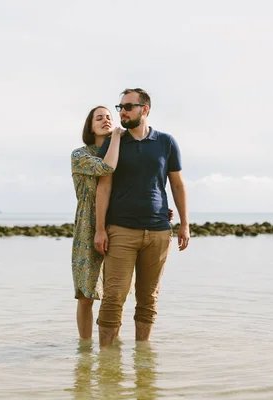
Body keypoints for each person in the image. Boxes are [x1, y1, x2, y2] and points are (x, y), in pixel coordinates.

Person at [94, 88, 190, 347]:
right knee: (113, 296)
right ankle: (106, 363)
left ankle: (143, 362)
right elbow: (104, 187)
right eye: (120, 107)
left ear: (144, 110)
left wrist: (184, 225)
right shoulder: (114, 144)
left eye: (128, 107)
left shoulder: (166, 142)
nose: (122, 112)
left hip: (158, 231)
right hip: (120, 231)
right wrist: (100, 230)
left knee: (148, 298)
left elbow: (177, 185)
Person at [70, 106, 124, 340]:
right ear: (90, 126)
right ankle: (84, 349)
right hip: (87, 223)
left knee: (115, 291)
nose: (105, 120)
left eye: (109, 117)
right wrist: (117, 137)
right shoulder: (80, 155)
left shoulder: (121, 149)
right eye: (99, 118)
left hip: (119, 219)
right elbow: (106, 167)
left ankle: (110, 348)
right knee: (87, 292)